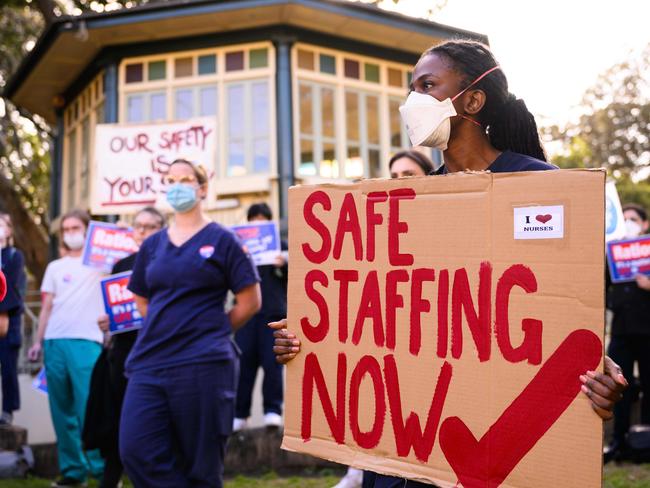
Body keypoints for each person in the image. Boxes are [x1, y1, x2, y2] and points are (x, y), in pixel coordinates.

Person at [271, 39, 628, 488]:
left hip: (492, 436)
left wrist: (599, 367)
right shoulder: (408, 204)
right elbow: (395, 312)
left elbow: (563, 308)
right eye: (411, 88)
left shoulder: (544, 191)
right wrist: (320, 336)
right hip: (409, 449)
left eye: (428, 85)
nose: (412, 101)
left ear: (473, 99)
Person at [119, 159, 261, 487]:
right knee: (136, 451)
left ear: (202, 188)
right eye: (172, 180)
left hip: (204, 363)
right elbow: (141, 299)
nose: (179, 185)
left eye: (186, 179)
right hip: (150, 364)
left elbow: (250, 302)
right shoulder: (152, 245)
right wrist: (167, 325)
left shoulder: (224, 240)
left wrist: (211, 330)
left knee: (201, 467)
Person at [333, 152, 435, 488]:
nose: (400, 181)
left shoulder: (443, 230)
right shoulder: (373, 237)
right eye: (393, 176)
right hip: (387, 370)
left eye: (409, 173)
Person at [82, 207, 166, 488]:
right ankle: (111, 477)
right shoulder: (121, 265)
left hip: (160, 353)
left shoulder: (171, 262)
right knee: (118, 420)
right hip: (124, 355)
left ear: (163, 229)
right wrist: (110, 321)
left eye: (150, 226)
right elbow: (117, 308)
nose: (142, 231)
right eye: (138, 226)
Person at [28, 209, 105, 488]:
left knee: (90, 409)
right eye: (66, 229)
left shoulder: (102, 265)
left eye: (76, 227)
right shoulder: (55, 267)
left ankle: (102, 470)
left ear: (87, 230)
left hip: (87, 342)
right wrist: (38, 341)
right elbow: (47, 306)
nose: (71, 233)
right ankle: (74, 472)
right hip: (55, 342)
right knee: (62, 411)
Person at [233, 203, 288, 431]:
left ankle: (272, 411)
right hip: (246, 315)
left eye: (262, 219)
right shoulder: (239, 248)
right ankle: (240, 414)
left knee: (272, 364)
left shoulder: (281, 247)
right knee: (244, 364)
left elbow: (295, 277)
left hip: (273, 314)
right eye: (253, 218)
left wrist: (283, 263)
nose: (257, 222)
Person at [604, 203, 650, 462]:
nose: (629, 223)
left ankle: (644, 443)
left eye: (634, 219)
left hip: (647, 333)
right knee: (620, 387)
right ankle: (617, 442)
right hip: (621, 332)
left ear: (644, 225)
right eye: (625, 219)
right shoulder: (613, 254)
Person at [0, 213, 26, 425]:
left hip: (8, 320)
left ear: (9, 230)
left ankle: (7, 411)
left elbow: (11, 286)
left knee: (8, 367)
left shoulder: (14, 256)